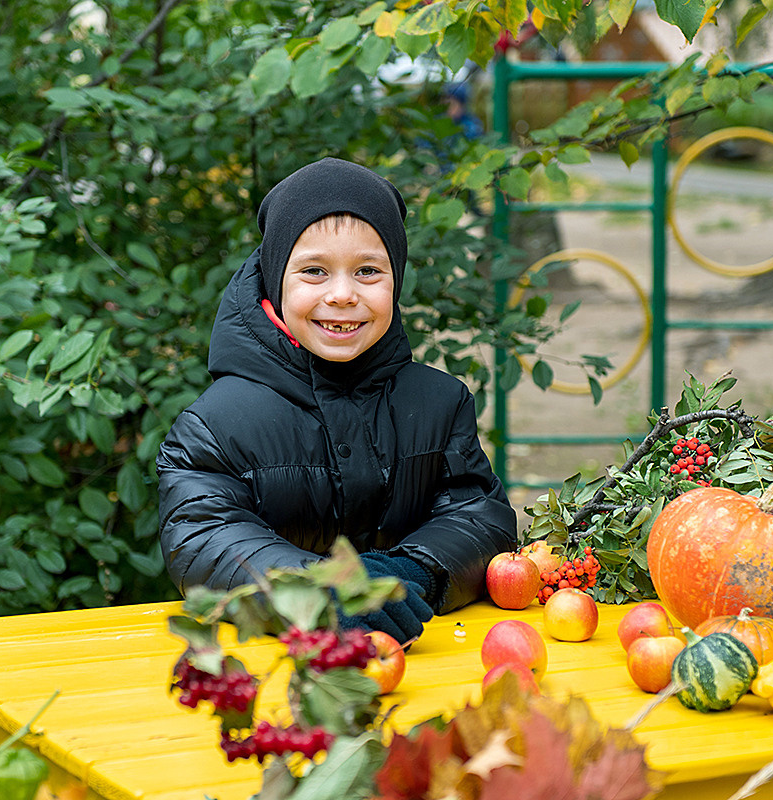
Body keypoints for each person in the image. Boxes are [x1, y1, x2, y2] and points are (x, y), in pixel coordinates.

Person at [156, 157, 516, 644]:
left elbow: (482, 517)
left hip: (424, 657)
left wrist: (411, 570)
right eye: (314, 271)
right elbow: (202, 538)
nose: (343, 294)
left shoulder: (440, 404)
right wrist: (319, 593)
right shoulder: (216, 425)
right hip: (282, 666)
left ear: (397, 279)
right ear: (275, 279)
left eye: (368, 271)